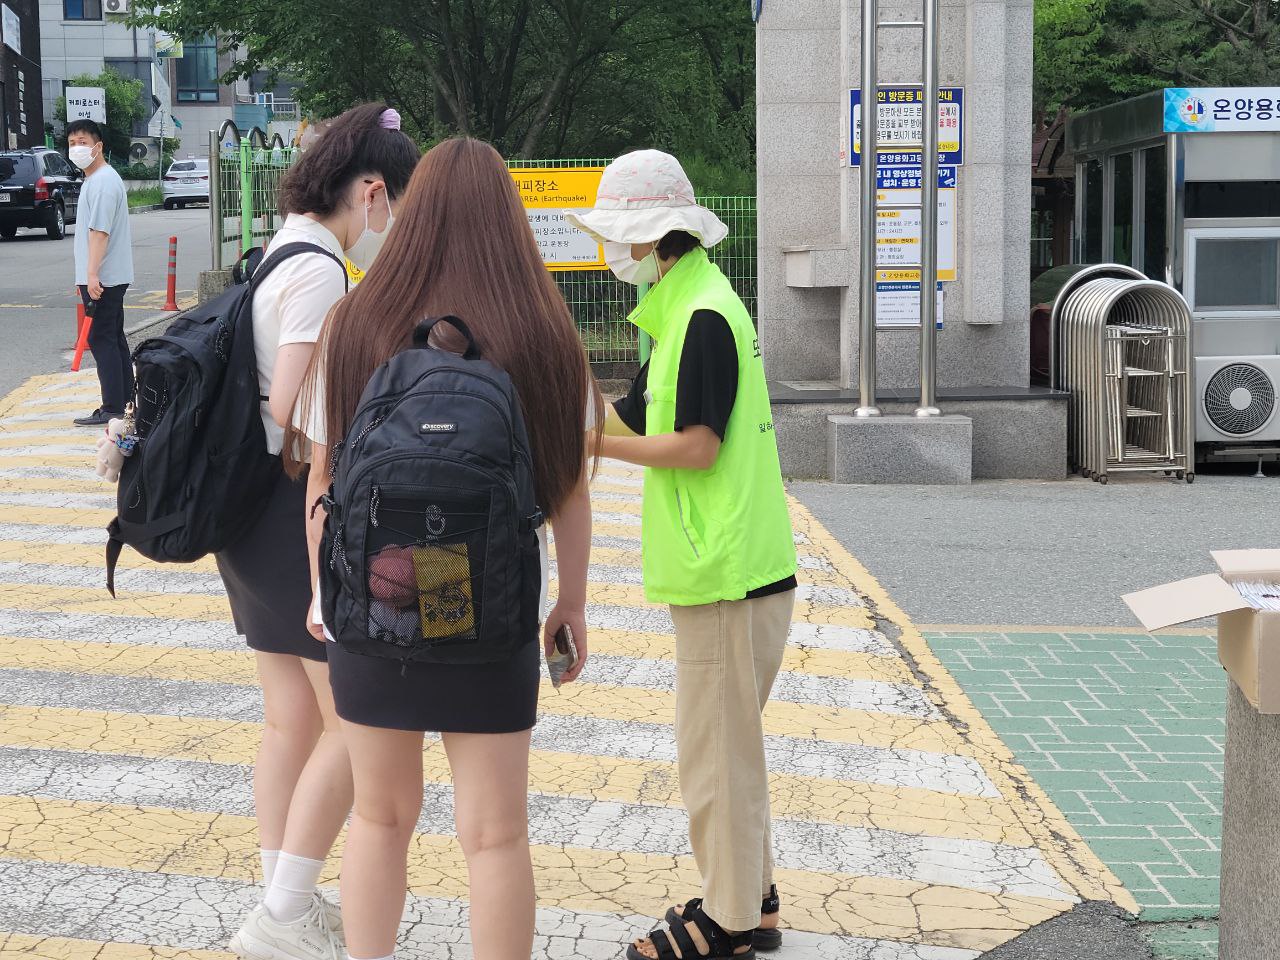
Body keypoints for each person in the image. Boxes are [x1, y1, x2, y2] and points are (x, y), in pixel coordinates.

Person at [284, 136, 599, 960]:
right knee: (494, 835)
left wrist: (324, 593)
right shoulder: (540, 328)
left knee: (381, 817)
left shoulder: (358, 319)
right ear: (510, 221)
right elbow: (567, 487)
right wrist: (569, 602)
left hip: (377, 590)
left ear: (414, 212)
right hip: (486, 596)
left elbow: (323, 479)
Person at [566, 150, 798, 960]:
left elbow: (696, 447)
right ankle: (756, 900)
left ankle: (726, 922)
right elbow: (635, 414)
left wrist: (594, 446)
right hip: (733, 569)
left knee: (715, 760)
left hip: (727, 576)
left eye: (616, 239)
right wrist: (559, 398)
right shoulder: (686, 307)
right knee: (732, 747)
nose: (611, 254)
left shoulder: (700, 316)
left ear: (650, 239)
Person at [222, 103, 419, 960]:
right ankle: (284, 910)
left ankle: (286, 906)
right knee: (345, 723)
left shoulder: (279, 243)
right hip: (290, 511)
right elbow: (292, 407)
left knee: (289, 722)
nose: (391, 226)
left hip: (247, 510)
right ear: (371, 192)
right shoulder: (321, 271)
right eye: (394, 206)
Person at [67, 119, 134, 427]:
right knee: (113, 337)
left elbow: (99, 232)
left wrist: (92, 275)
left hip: (104, 277)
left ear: (98, 147)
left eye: (82, 142)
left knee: (102, 339)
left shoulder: (104, 181)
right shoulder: (96, 180)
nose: (76, 148)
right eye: (71, 143)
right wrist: (84, 274)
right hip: (105, 276)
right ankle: (127, 402)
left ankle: (112, 408)